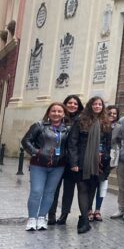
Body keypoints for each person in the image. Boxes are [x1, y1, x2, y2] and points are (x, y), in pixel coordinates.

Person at [22, 102, 71, 231]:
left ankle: (42, 217)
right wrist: (36, 152)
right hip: (39, 164)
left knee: (50, 193)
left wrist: (65, 156)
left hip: (58, 166)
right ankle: (32, 218)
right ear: (49, 113)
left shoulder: (67, 129)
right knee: (36, 191)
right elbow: (26, 141)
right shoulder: (39, 126)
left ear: (64, 114)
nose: (56, 114)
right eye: (53, 111)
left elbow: (70, 145)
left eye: (59, 111)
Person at [68, 96, 112, 234]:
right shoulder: (80, 120)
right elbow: (73, 142)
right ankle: (84, 221)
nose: (97, 106)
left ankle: (86, 216)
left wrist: (105, 160)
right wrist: (74, 162)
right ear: (90, 106)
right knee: (82, 188)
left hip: (97, 162)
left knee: (92, 189)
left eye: (100, 104)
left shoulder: (106, 122)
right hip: (82, 160)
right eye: (95, 104)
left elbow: (108, 144)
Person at [48, 94, 83, 225]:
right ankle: (51, 214)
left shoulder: (81, 120)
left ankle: (64, 214)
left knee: (69, 189)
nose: (72, 105)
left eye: (75, 103)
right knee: (53, 188)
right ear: (65, 104)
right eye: (70, 103)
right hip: (57, 159)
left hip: (72, 160)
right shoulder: (58, 118)